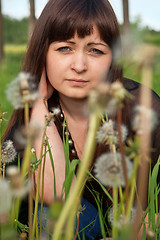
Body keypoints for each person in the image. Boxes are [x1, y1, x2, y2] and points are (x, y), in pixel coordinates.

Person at [3, 0, 160, 239]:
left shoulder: (141, 107)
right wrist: (38, 105)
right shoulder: (30, 119)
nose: (79, 66)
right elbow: (56, 197)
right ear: (43, 52)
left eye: (95, 50)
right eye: (65, 48)